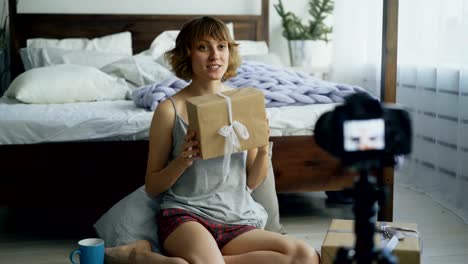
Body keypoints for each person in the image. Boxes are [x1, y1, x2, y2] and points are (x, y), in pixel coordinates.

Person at [105, 16, 320, 264]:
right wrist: (183, 161)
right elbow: (152, 186)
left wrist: (262, 149)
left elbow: (252, 181)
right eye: (203, 47)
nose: (214, 56)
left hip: (236, 219)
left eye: (221, 46)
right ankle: (163, 256)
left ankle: (165, 260)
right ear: (187, 54)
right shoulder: (169, 110)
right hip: (185, 217)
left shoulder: (242, 103)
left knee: (306, 256)